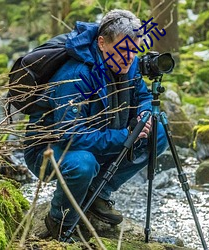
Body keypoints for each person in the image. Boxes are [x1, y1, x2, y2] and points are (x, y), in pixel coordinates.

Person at [24, 9, 168, 241]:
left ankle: (98, 193)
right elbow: (70, 135)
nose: (130, 58)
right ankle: (59, 221)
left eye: (134, 50)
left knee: (158, 132)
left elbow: (142, 95)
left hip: (100, 136)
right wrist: (125, 135)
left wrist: (144, 114)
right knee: (83, 164)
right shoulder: (75, 75)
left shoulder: (127, 62)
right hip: (50, 150)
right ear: (102, 43)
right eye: (123, 50)